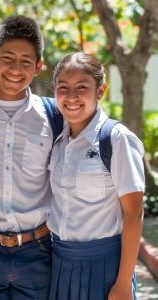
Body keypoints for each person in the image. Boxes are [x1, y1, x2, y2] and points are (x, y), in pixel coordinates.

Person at [0, 16, 62, 300]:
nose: (16, 69)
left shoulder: (55, 115)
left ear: (39, 66)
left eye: (27, 61)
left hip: (38, 251)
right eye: (8, 57)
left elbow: (94, 133)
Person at [47, 52, 144, 300]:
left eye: (82, 87)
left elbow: (134, 214)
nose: (71, 96)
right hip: (60, 263)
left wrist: (123, 284)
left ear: (100, 91)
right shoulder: (57, 141)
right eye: (63, 87)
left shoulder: (116, 139)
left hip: (104, 265)